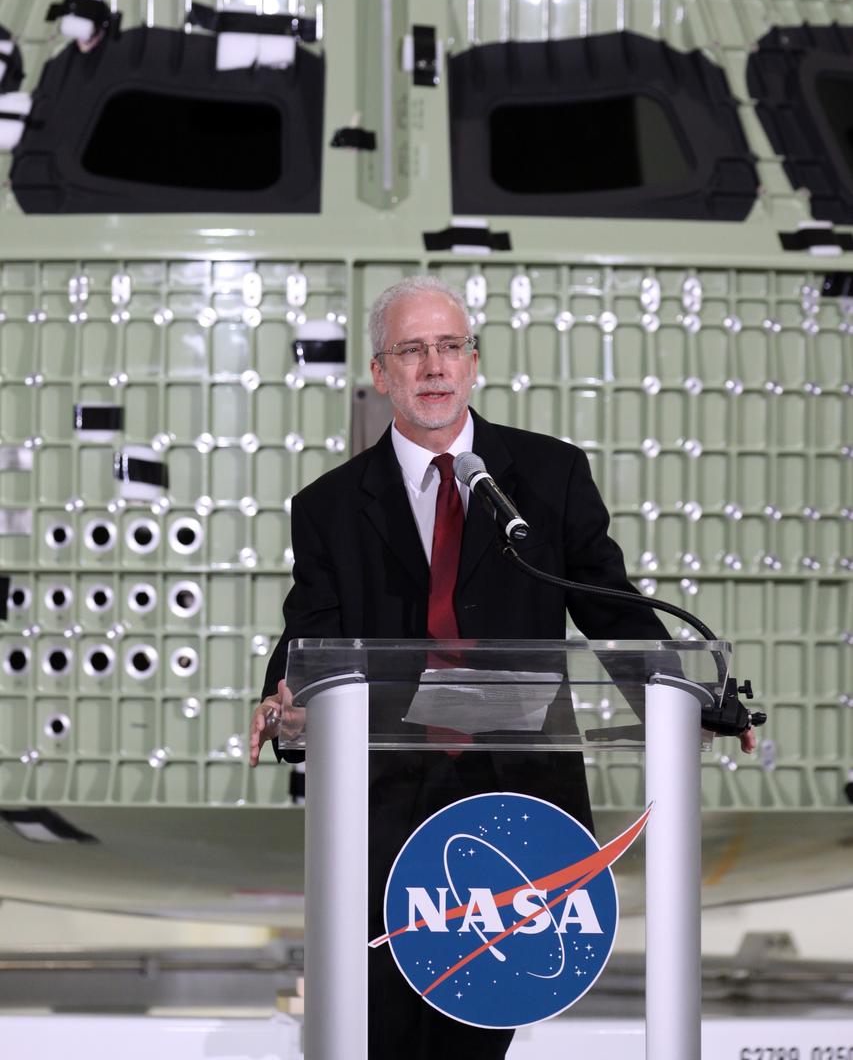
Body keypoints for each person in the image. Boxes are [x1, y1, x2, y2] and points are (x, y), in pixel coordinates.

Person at [250, 275, 755, 1058]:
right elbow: (312, 632)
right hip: (386, 801)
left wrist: (699, 700)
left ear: (474, 362)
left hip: (518, 798)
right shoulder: (328, 504)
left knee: (478, 1028)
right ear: (381, 373)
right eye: (411, 351)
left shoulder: (545, 476)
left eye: (449, 347)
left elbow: (610, 608)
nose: (433, 367)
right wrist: (282, 701)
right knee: (382, 1026)